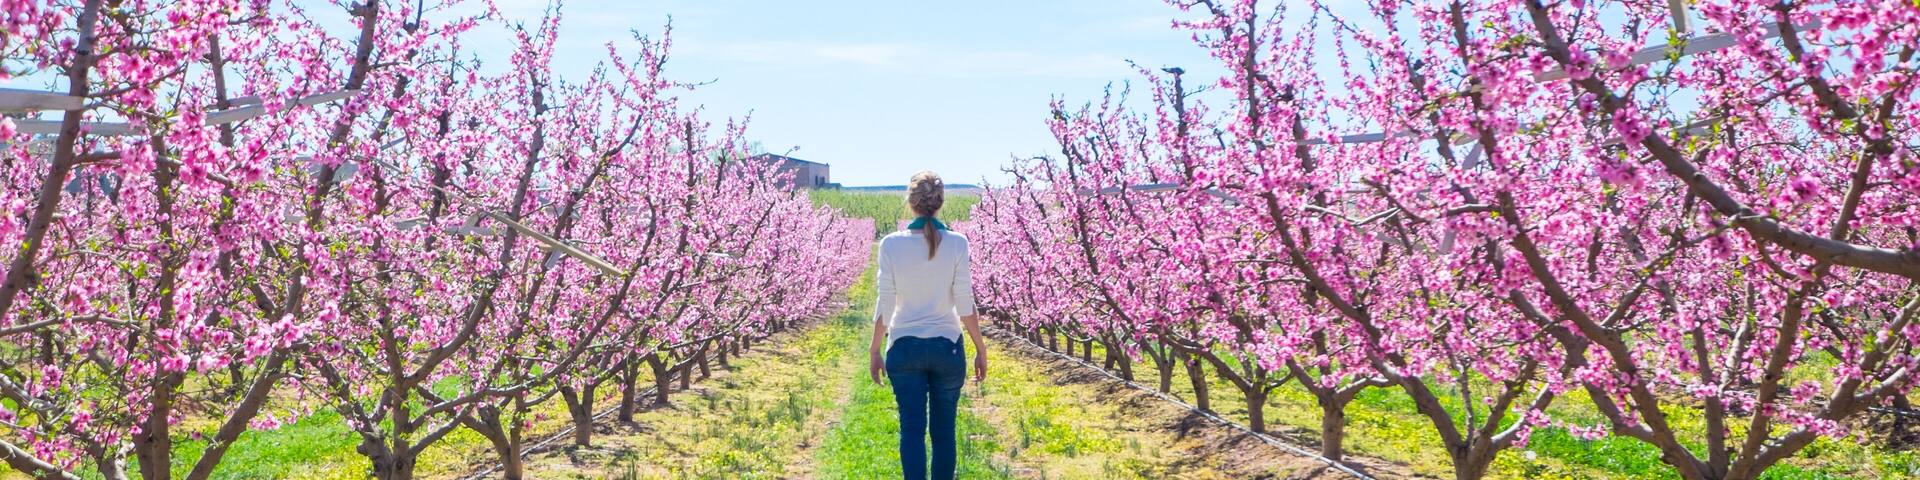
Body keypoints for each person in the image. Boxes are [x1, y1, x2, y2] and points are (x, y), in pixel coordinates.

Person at [869, 170, 987, 480]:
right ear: (940, 203)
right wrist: (980, 347)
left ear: (911, 203)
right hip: (947, 348)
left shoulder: (891, 245)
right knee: (944, 433)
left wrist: (875, 349)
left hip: (904, 348)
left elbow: (886, 303)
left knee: (911, 431)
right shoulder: (957, 243)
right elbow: (965, 303)